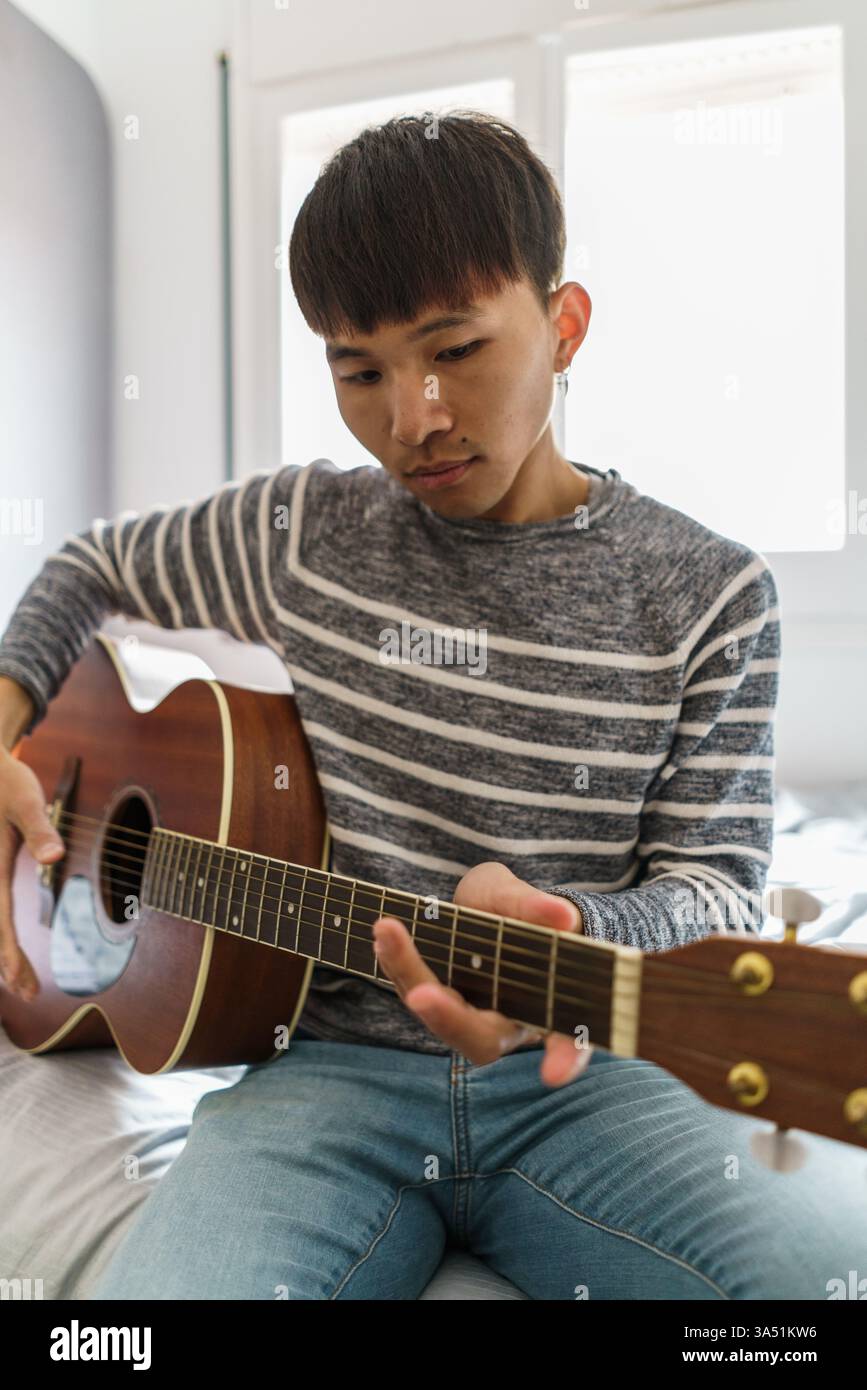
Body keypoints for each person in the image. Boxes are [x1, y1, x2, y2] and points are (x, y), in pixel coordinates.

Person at [0, 111, 864, 1300]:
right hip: (320, 1074)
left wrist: (564, 930)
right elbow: (91, 563)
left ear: (564, 328)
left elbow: (719, 888)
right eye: (358, 371)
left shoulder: (712, 594)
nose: (412, 417)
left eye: (454, 349)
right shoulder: (306, 534)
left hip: (592, 1078)